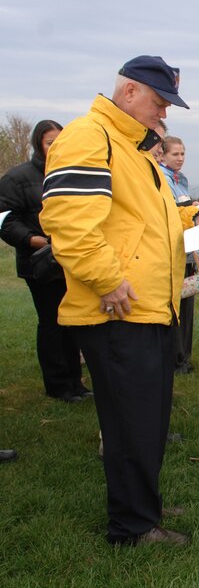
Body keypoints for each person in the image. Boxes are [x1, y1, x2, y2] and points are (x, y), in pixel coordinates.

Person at [40, 55, 199, 545]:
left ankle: (143, 506)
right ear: (131, 92)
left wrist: (195, 216)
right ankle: (132, 527)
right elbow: (68, 222)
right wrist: (106, 279)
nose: (164, 115)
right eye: (160, 103)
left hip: (151, 308)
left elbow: (152, 221)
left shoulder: (135, 151)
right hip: (118, 308)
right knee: (130, 424)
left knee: (147, 419)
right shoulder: (88, 136)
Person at [0, 119, 91, 404]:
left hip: (70, 262)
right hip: (40, 264)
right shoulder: (18, 178)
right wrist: (34, 240)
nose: (56, 147)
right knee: (52, 322)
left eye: (61, 142)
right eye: (51, 142)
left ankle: (76, 383)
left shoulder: (70, 174)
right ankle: (58, 385)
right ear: (38, 144)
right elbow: (5, 219)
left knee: (73, 322)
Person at [159, 134, 198, 374]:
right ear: (162, 155)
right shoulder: (163, 179)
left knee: (187, 308)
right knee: (176, 310)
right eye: (175, 154)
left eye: (183, 153)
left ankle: (184, 356)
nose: (180, 158)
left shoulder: (179, 179)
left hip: (188, 251)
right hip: (174, 252)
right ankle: (176, 359)